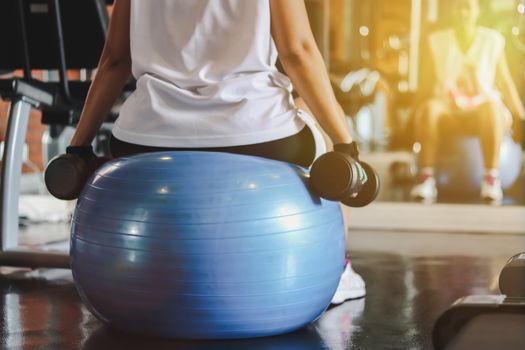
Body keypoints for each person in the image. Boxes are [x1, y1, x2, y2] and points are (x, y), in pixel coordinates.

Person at [66, 0, 366, 304]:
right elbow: (297, 53)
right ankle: (341, 270)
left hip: (145, 136)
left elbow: (114, 61)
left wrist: (78, 147)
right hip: (255, 132)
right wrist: (346, 147)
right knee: (318, 119)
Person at [411, 0, 525, 203]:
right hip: (448, 110)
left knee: (492, 108)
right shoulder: (437, 40)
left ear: (477, 11)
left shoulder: (492, 40)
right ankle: (426, 179)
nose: (462, 12)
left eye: (467, 8)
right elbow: (426, 84)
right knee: (429, 109)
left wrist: (520, 114)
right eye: (458, 8)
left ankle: (491, 179)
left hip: (482, 110)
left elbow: (505, 81)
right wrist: (415, 114)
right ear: (452, 12)